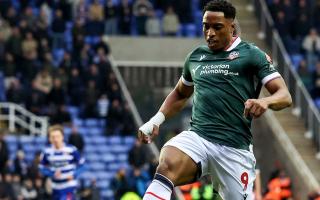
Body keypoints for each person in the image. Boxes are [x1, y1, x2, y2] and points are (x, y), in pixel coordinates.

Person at [138, 1, 292, 199]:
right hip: (199, 137)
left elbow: (284, 95)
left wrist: (265, 102)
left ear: (232, 27)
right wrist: (156, 120)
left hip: (234, 148)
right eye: (205, 26)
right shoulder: (196, 57)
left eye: (217, 27)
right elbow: (180, 93)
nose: (210, 33)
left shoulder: (252, 54)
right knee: (167, 162)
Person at [39, 124, 85, 200]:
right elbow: (41, 167)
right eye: (53, 137)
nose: (55, 139)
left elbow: (83, 165)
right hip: (55, 187)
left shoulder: (71, 149)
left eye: (58, 136)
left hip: (69, 186)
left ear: (62, 137)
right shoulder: (46, 151)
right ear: (50, 138)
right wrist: (51, 173)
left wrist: (74, 174)